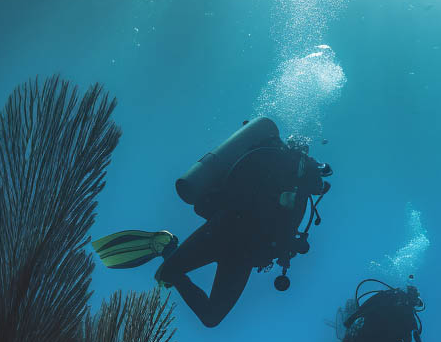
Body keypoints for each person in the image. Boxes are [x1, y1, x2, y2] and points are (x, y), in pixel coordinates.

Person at [91, 118, 332, 327]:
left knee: (197, 302)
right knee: (201, 307)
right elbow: (285, 220)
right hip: (233, 240)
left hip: (227, 235)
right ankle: (166, 249)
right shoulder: (296, 185)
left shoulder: (273, 170)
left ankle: (167, 248)